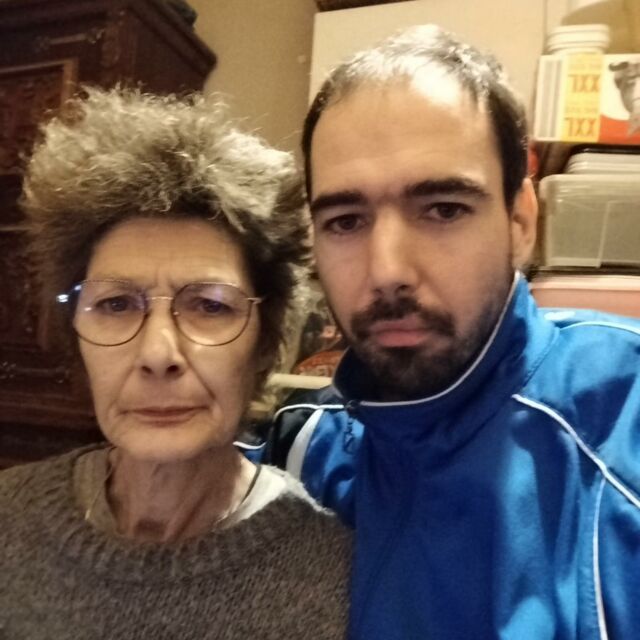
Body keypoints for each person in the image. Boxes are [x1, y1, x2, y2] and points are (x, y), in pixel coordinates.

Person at [265, 25, 640, 640]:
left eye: (443, 209)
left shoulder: (623, 421)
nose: (387, 271)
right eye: (346, 220)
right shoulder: (303, 454)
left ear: (520, 221)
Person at [0, 88, 350, 639]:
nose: (158, 354)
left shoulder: (330, 580)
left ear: (264, 341)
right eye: (116, 304)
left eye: (209, 305)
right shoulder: (8, 522)